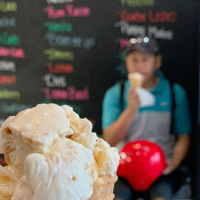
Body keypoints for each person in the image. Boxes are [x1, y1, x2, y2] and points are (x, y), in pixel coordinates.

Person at [102, 36, 191, 200]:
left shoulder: (174, 92)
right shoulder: (116, 94)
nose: (139, 65)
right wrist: (131, 109)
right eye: (134, 60)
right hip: (123, 170)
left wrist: (175, 162)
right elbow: (109, 140)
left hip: (161, 169)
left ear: (156, 62)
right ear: (126, 63)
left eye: (145, 59)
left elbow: (183, 137)